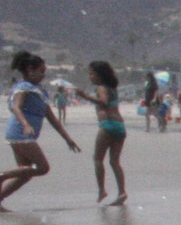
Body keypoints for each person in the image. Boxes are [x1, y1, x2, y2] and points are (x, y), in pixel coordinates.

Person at [1, 51, 81, 209]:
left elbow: (52, 118)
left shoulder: (39, 91)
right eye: (41, 71)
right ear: (30, 70)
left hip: (22, 134)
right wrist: (25, 124)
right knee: (42, 168)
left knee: (25, 174)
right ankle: (3, 175)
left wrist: (67, 139)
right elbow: (16, 107)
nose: (43, 75)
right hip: (20, 133)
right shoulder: (24, 87)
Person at [73, 61, 128, 206]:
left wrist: (84, 96)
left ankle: (102, 190)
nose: (89, 76)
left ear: (99, 75)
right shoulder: (112, 88)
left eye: (91, 73)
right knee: (114, 161)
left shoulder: (101, 87)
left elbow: (103, 101)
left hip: (107, 125)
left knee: (98, 159)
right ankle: (122, 192)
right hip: (120, 126)